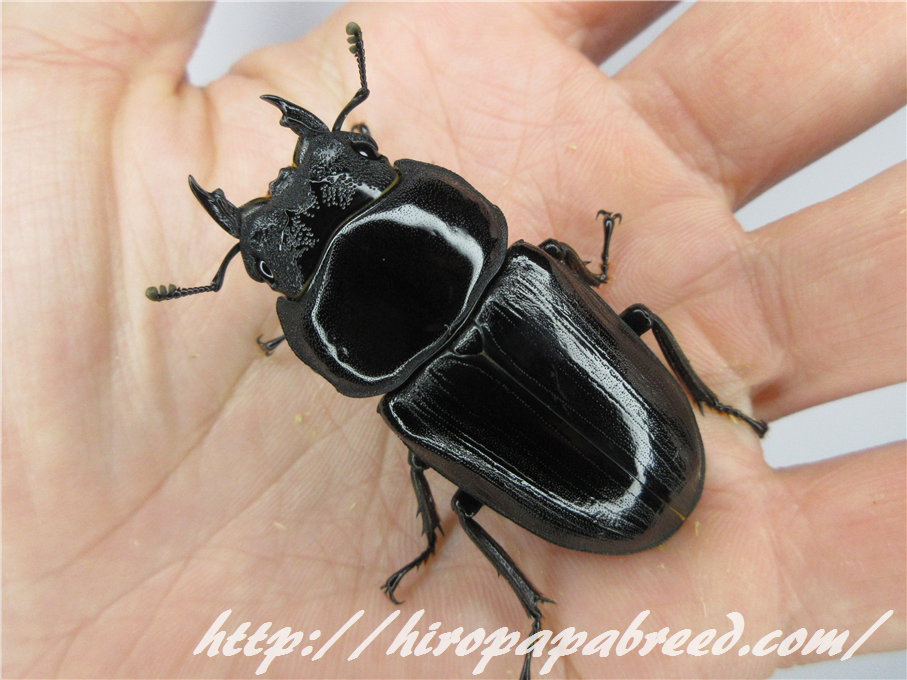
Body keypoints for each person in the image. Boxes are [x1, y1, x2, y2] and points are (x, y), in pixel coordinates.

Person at [4, 2, 904, 678]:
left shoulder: (414, 402)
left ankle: (528, 604)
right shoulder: (530, 274)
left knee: (459, 500)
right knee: (618, 317)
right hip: (639, 460)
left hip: (618, 478)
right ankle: (567, 567)